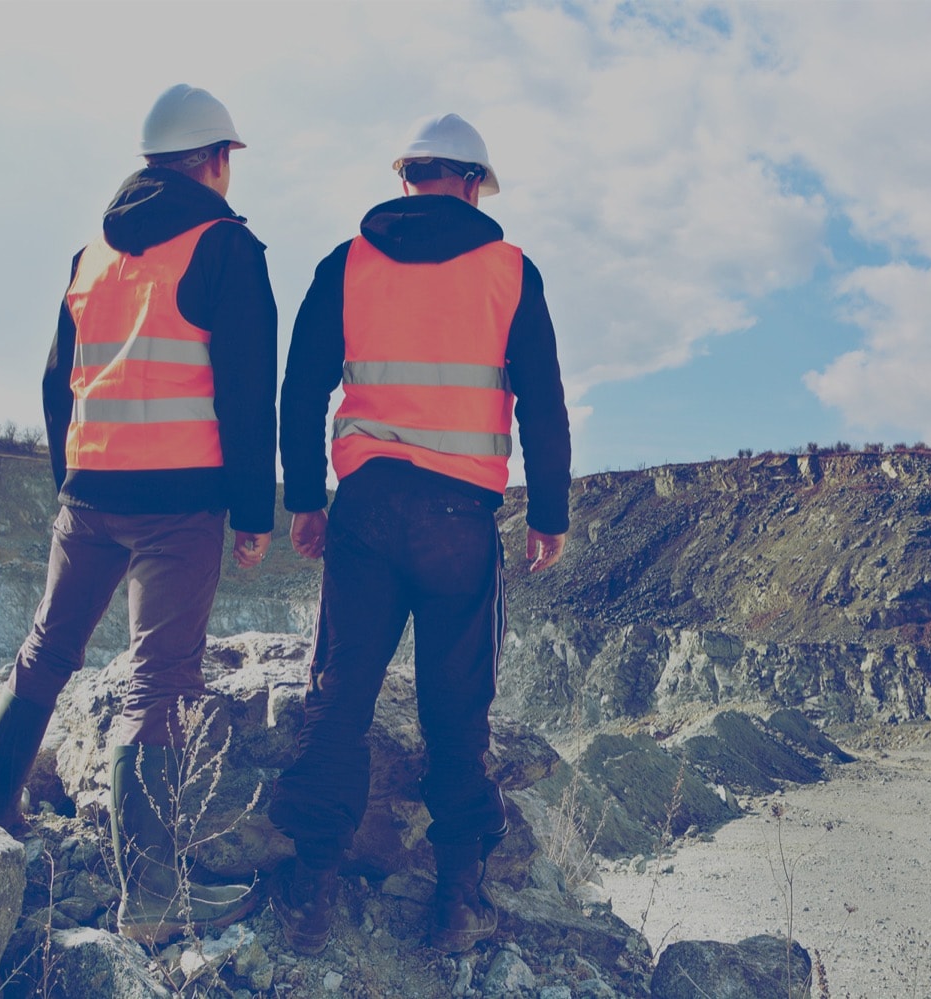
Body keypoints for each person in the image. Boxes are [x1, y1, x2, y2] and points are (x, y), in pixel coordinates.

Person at [0, 84, 278, 946]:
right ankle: (150, 896)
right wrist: (253, 511)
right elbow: (249, 394)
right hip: (179, 504)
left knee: (44, 651)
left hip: (91, 491)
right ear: (215, 161)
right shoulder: (226, 247)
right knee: (158, 680)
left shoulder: (92, 254)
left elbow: (52, 381)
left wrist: (71, 478)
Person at [268, 112, 571, 956]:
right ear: (474, 185)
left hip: (366, 509)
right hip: (459, 522)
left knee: (339, 699)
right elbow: (542, 399)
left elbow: (301, 387)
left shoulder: (348, 262)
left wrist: (306, 498)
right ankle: (456, 901)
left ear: (406, 177)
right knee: (455, 713)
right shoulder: (510, 271)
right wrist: (549, 510)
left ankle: (313, 888)